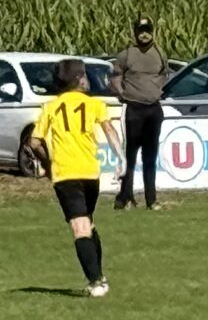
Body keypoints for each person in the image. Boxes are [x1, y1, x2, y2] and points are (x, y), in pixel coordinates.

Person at [28, 59, 116, 296]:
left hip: (66, 174)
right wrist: (122, 159)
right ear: (78, 79)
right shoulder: (94, 104)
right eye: (84, 75)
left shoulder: (51, 107)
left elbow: (34, 142)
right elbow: (109, 129)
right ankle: (100, 276)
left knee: (80, 226)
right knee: (87, 223)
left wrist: (48, 163)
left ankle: (96, 282)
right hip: (90, 173)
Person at [109, 18, 176, 212]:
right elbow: (114, 77)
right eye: (141, 31)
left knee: (150, 156)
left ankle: (151, 200)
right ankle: (125, 198)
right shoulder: (127, 55)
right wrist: (122, 93)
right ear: (135, 33)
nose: (144, 35)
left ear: (152, 32)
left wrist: (158, 91)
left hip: (153, 109)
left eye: (147, 30)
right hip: (133, 109)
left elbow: (165, 75)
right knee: (130, 155)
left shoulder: (159, 53)